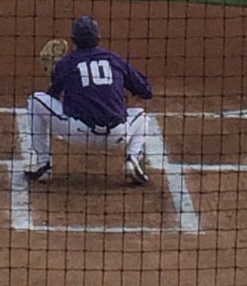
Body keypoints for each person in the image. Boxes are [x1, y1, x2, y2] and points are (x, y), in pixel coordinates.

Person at [23, 15, 154, 186]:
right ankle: (132, 158)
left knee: (35, 100)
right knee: (141, 116)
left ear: (73, 40)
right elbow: (146, 91)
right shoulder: (114, 59)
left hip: (77, 134)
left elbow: (52, 95)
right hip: (116, 135)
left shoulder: (67, 62)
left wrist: (55, 73)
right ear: (98, 38)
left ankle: (43, 165)